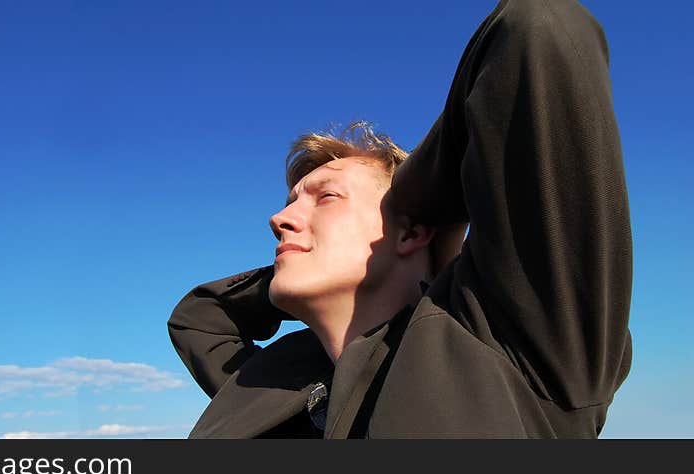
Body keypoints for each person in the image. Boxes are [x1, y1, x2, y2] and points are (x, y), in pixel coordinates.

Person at [168, 0, 632, 438]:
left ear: (411, 229)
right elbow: (200, 316)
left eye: (324, 197)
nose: (278, 218)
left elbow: (539, 27)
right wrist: (312, 262)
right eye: (291, 201)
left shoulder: (513, 344)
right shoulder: (277, 380)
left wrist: (425, 200)